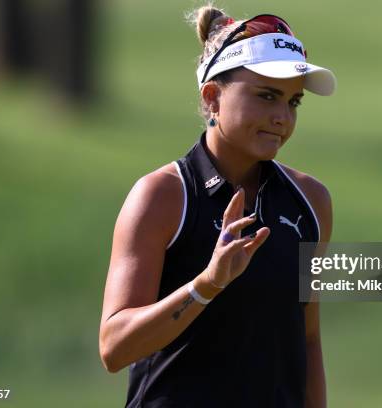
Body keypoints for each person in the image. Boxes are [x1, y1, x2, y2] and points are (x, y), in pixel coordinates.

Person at [99, 5, 336, 407]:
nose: (282, 117)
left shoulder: (310, 202)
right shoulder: (163, 196)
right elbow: (115, 347)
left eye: (293, 103)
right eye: (266, 96)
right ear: (212, 98)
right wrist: (207, 284)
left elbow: (307, 339)